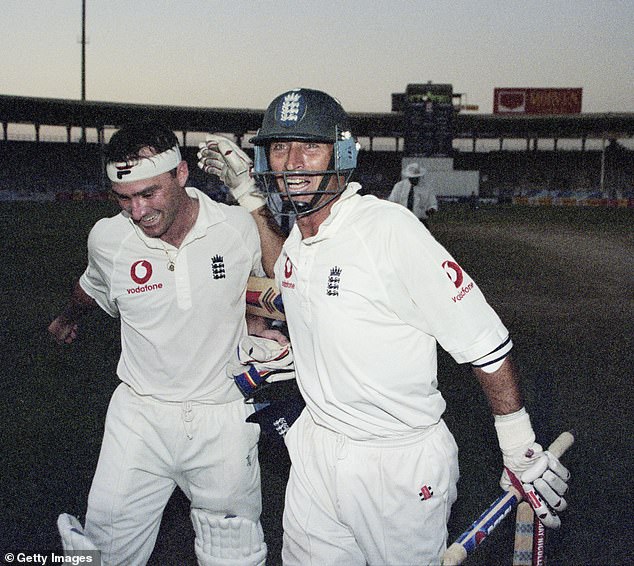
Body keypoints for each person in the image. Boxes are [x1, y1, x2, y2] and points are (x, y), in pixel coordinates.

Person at [198, 88, 571, 565]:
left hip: (397, 463)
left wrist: (517, 444)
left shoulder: (388, 230)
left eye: (309, 147)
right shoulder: (297, 241)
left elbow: (483, 339)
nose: (291, 163)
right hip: (316, 449)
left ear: (343, 153)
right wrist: (279, 345)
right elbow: (286, 281)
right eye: (279, 148)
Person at [48, 121, 286, 566]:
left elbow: (286, 277)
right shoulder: (108, 238)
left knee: (233, 554)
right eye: (125, 198)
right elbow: (92, 286)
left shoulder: (233, 226)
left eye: (149, 194)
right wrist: (66, 319)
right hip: (139, 417)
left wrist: (252, 199)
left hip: (223, 417)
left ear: (181, 174)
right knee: (102, 552)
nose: (138, 212)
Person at [388, 162, 438, 229]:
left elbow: (433, 204)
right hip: (402, 219)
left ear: (419, 176)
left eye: (416, 178)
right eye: (411, 178)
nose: (414, 180)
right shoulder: (399, 186)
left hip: (420, 220)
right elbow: (392, 202)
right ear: (408, 177)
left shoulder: (427, 188)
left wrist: (431, 210)